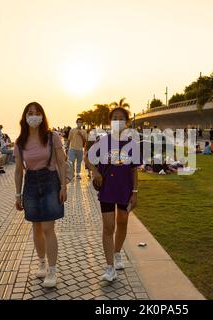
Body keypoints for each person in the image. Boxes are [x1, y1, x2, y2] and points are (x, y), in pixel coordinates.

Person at [14, 102, 67, 288]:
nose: (33, 116)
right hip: (30, 184)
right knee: (36, 227)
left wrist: (64, 187)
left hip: (50, 181)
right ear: (25, 117)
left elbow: (61, 162)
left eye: (37, 113)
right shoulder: (20, 142)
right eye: (30, 113)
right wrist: (17, 195)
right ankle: (42, 263)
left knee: (47, 228)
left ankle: (52, 271)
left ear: (42, 116)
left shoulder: (52, 137)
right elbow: (19, 170)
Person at [85, 107, 139, 282]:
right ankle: (110, 268)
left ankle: (117, 253)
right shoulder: (103, 141)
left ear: (127, 122)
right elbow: (87, 159)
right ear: (110, 122)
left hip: (125, 189)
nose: (117, 121)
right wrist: (96, 173)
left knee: (122, 222)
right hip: (107, 189)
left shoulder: (132, 143)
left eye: (121, 118)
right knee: (108, 227)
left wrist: (135, 193)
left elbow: (134, 171)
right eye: (114, 118)